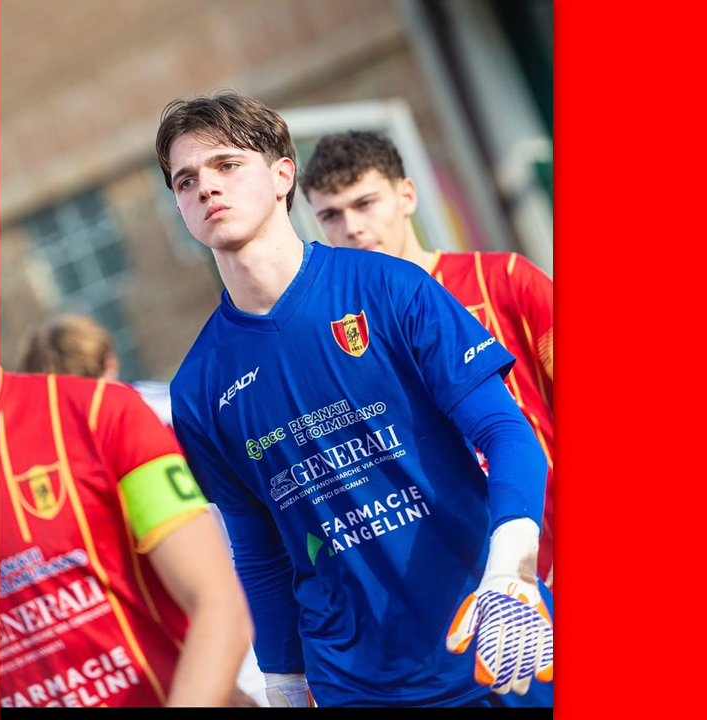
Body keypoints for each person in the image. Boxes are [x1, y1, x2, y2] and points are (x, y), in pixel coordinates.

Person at [154, 90, 553, 708]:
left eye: (226, 165)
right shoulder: (198, 386)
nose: (206, 187)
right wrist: (284, 682)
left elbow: (505, 432)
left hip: (496, 636)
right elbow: (256, 546)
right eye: (186, 180)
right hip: (355, 684)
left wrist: (512, 566)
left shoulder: (390, 286)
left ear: (282, 175)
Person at [299, 130, 554, 590]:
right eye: (331, 215)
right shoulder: (339, 337)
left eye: (365, 203)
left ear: (407, 196)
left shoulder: (504, 279)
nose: (352, 227)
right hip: (454, 581)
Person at [14, 313, 269, 707]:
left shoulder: (57, 438)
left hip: (187, 632)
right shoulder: (163, 403)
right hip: (236, 605)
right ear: (110, 362)